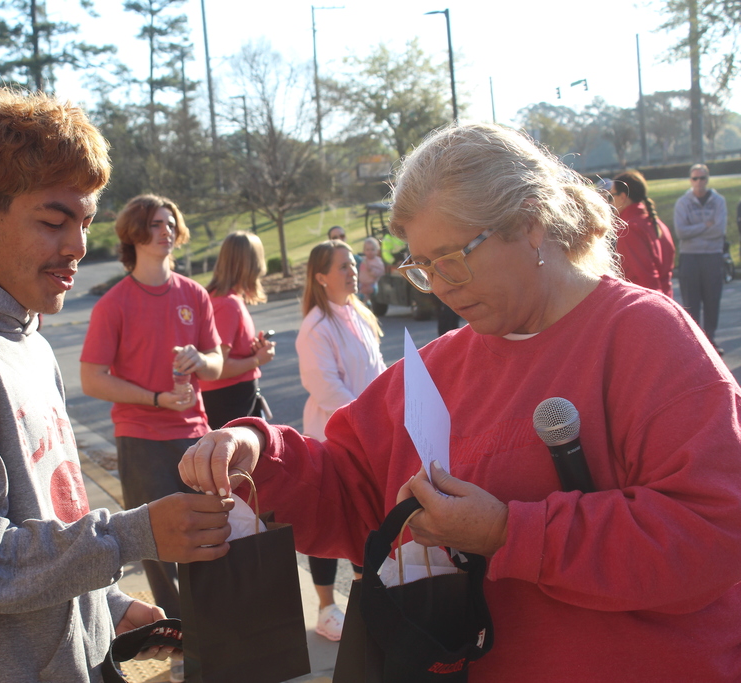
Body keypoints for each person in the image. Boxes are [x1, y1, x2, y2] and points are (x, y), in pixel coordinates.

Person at [180, 123, 741, 682]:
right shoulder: (440, 365)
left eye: (452, 258)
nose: (441, 286)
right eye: (422, 268)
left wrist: (507, 533)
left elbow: (712, 533)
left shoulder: (647, 336)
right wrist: (259, 450)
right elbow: (353, 490)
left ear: (531, 224)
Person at [0, 90, 232, 683]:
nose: (78, 246)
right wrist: (130, 536)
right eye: (54, 220)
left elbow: (44, 518)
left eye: (85, 222)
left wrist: (101, 608)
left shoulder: (29, 341)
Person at [80, 195, 223, 671]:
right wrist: (156, 398)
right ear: (134, 234)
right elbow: (91, 377)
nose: (167, 230)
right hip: (141, 438)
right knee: (160, 549)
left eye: (171, 223)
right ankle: (184, 644)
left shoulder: (193, 294)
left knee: (207, 539)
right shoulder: (115, 302)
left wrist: (201, 362)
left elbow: (218, 361)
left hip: (194, 433)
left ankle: (214, 636)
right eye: (157, 224)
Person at [295, 238, 386, 641]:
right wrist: (368, 420)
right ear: (321, 277)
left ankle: (367, 600)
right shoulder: (316, 325)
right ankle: (327, 607)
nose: (353, 271)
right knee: (329, 524)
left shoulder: (358, 314)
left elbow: (379, 371)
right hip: (334, 440)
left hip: (368, 437)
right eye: (344, 267)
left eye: (353, 264)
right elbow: (326, 388)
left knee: (366, 522)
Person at [198, 231, 276, 430]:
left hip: (229, 400)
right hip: (229, 402)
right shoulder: (228, 304)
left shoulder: (222, 298)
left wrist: (252, 351)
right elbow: (218, 368)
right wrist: (258, 360)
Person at [675, 163, 727, 353]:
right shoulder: (683, 202)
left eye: (702, 178)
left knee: (712, 300)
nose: (699, 182)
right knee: (691, 301)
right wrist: (705, 226)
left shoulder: (718, 201)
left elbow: (719, 230)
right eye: (695, 178)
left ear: (707, 179)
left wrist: (695, 230)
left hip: (712, 255)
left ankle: (710, 339)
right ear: (690, 180)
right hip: (690, 257)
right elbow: (681, 232)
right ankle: (695, 344)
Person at [609, 170, 675, 297]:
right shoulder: (657, 223)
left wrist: (656, 308)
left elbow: (647, 278)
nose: (610, 202)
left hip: (646, 304)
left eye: (612, 196)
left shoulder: (630, 229)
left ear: (623, 197)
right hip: (664, 299)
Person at [358, 236, 386, 302]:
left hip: (371, 283)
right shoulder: (363, 259)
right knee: (359, 297)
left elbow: (381, 272)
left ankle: (367, 306)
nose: (370, 252)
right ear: (364, 251)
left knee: (366, 297)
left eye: (372, 249)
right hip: (362, 283)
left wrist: (371, 270)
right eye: (367, 250)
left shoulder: (377, 261)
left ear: (377, 250)